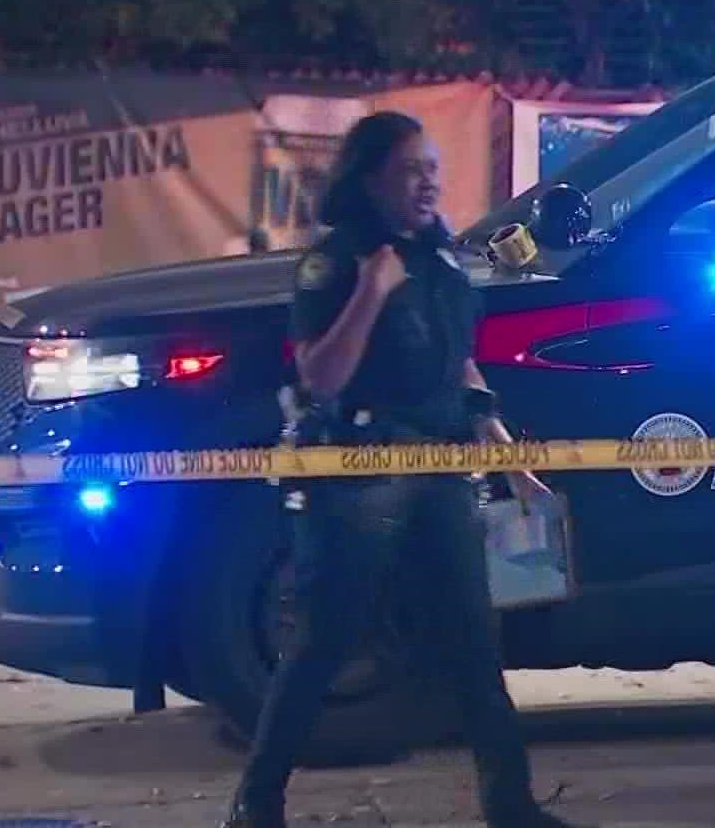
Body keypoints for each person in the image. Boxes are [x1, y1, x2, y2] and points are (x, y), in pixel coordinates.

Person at [223, 111, 584, 828]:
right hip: (361, 478)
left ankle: (511, 806)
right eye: (411, 169)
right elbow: (321, 376)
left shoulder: (440, 255)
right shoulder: (337, 262)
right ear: (369, 178)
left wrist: (504, 451)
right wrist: (369, 293)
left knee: (474, 643)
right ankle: (256, 804)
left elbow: (458, 362)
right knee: (325, 642)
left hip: (445, 468)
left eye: (433, 168)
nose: (429, 183)